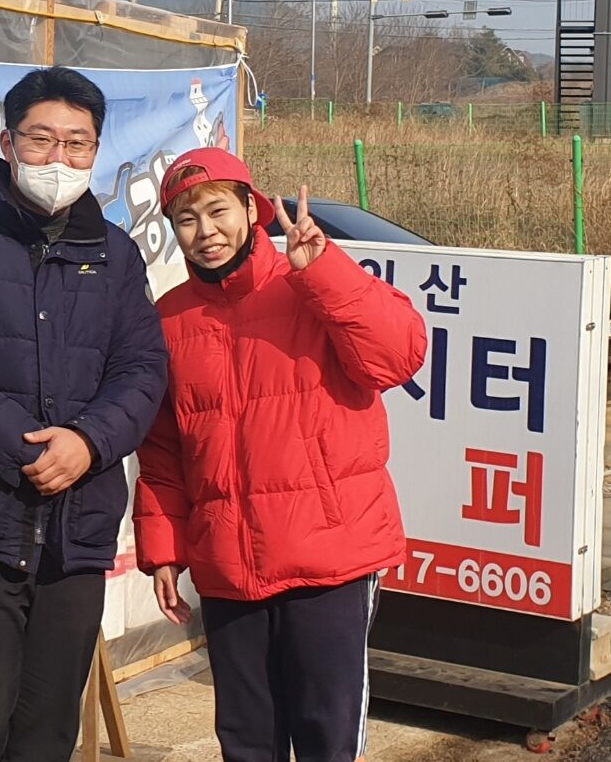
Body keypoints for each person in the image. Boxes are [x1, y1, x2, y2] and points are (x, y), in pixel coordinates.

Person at [0, 65, 168, 762]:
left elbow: (142, 368)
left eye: (78, 143)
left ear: (96, 150)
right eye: (42, 139)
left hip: (74, 537)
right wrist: (29, 447)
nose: (59, 157)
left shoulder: (113, 253)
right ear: (7, 142)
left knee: (47, 736)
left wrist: (88, 440)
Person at [134, 147, 427, 762]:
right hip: (227, 561)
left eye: (219, 211)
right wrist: (163, 546)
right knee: (245, 735)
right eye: (186, 220)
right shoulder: (169, 320)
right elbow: (163, 448)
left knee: (327, 730)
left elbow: (399, 356)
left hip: (330, 554)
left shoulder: (310, 284)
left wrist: (323, 271)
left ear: (252, 208)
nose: (205, 232)